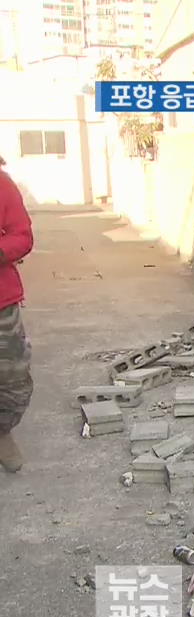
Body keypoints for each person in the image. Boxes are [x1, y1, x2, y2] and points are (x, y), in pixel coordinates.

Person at [0, 155, 34, 472]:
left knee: (13, 379)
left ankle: (2, 430)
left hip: (2, 301)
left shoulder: (2, 184)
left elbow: (22, 235)